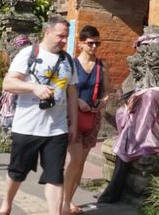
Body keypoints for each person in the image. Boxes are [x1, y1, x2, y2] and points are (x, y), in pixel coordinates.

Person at [0, 16, 78, 215]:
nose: (63, 40)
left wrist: (73, 124)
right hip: (27, 127)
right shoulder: (28, 53)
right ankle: (6, 204)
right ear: (47, 32)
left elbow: (73, 92)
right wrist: (34, 87)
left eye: (66, 37)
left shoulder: (68, 60)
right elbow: (8, 83)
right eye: (60, 36)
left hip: (57, 128)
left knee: (55, 176)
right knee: (17, 172)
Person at [63, 25, 106, 215]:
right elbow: (63, 90)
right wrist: (78, 101)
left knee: (81, 162)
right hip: (72, 115)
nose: (94, 47)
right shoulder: (71, 64)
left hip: (92, 118)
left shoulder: (101, 66)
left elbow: (107, 91)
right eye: (90, 43)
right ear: (81, 44)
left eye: (97, 43)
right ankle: (63, 202)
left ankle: (69, 200)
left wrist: (103, 102)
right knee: (75, 159)